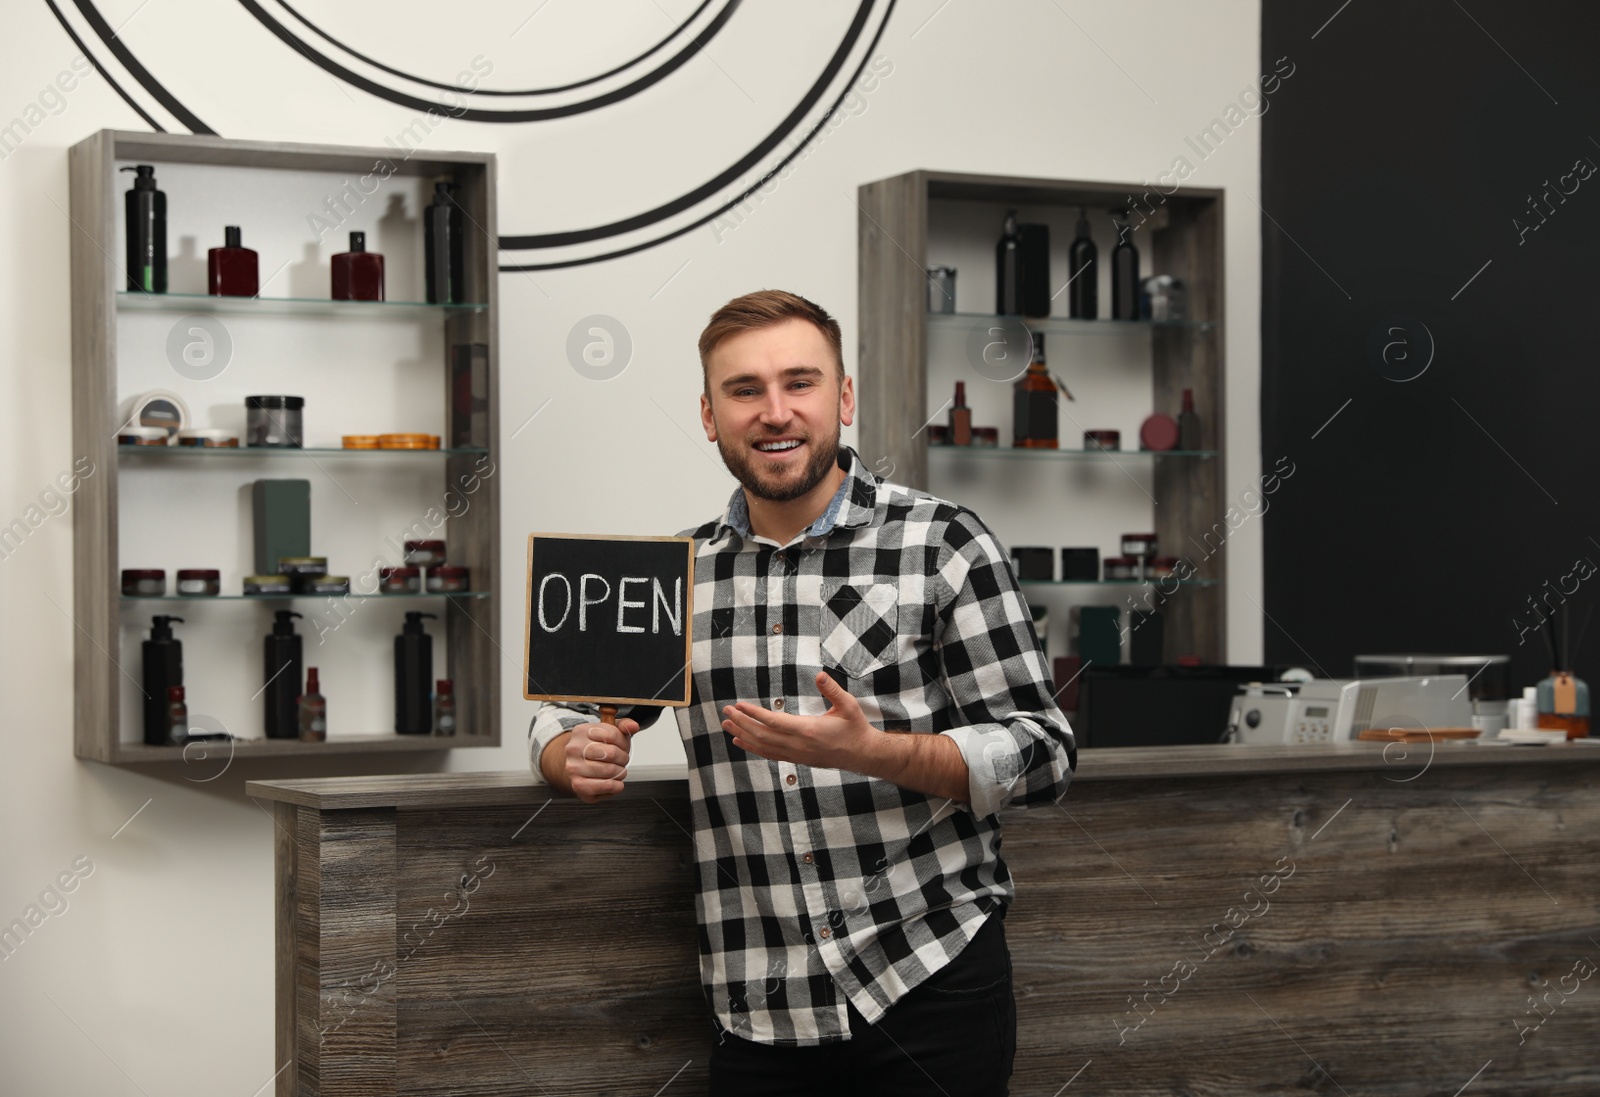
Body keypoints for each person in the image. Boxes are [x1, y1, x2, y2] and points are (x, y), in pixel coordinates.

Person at [528, 289, 1075, 1096]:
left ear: (844, 397)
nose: (774, 411)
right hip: (759, 1005)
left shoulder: (943, 544)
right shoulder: (676, 574)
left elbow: (1045, 753)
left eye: (800, 382)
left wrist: (877, 752)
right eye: (744, 389)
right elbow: (565, 710)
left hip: (930, 978)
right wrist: (565, 753)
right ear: (710, 414)